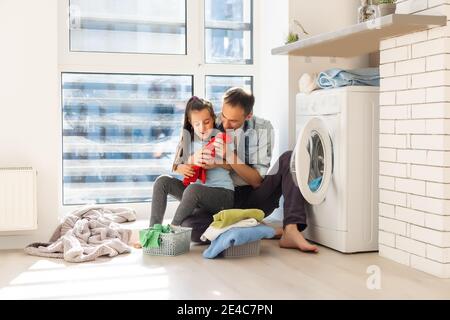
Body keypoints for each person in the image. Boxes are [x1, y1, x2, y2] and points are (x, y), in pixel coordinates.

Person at [178, 88, 319, 253]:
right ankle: (259, 229)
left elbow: (257, 181)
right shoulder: (209, 119)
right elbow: (181, 157)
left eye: (233, 121)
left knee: (289, 158)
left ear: (248, 115)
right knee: (189, 227)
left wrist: (229, 155)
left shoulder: (263, 128)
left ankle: (291, 229)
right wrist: (191, 160)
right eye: (223, 116)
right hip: (220, 200)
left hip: (253, 197)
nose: (224, 124)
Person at [149, 96, 235, 228]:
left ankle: (172, 232)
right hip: (197, 196)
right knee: (162, 181)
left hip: (222, 195)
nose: (202, 128)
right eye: (197, 124)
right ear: (190, 122)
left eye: (206, 122)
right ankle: (153, 230)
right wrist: (186, 164)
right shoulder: (188, 141)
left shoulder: (220, 138)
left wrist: (216, 163)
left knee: (193, 189)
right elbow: (177, 166)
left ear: (213, 118)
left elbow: (232, 166)